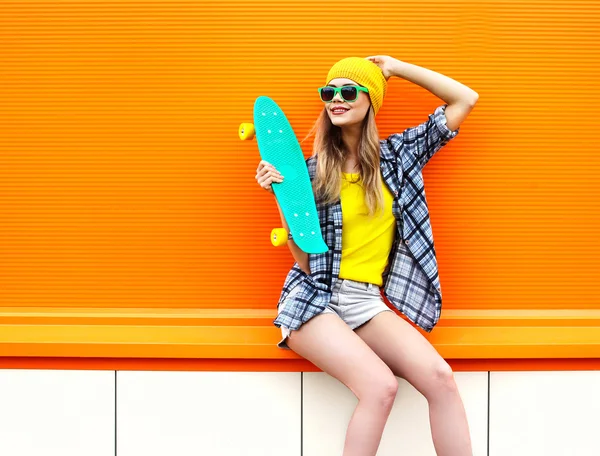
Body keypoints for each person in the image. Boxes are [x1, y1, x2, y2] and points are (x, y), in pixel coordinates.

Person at [255, 56, 478, 456]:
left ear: (370, 99)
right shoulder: (309, 172)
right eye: (328, 92)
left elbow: (465, 99)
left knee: (441, 380)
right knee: (380, 386)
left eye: (348, 91)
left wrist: (396, 68)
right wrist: (284, 202)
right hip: (314, 298)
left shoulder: (400, 157)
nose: (336, 99)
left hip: (366, 301)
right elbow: (306, 263)